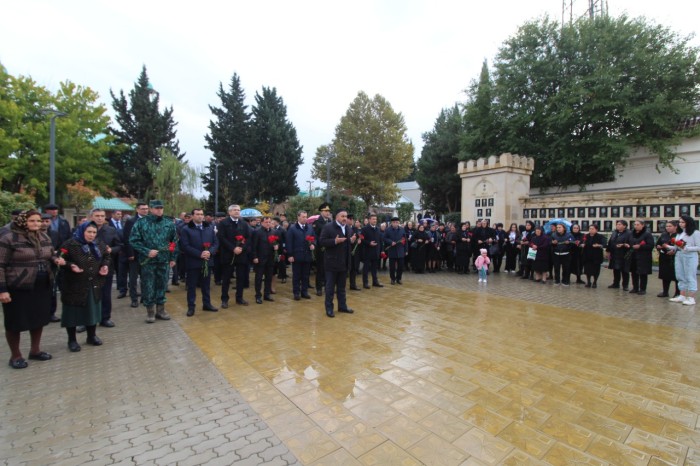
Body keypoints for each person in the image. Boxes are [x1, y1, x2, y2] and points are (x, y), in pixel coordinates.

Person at [0, 211, 65, 368]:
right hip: (18, 286)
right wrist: (2, 289)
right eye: (32, 221)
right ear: (23, 221)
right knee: (15, 321)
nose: (37, 224)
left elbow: (49, 254)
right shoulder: (9, 238)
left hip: (41, 285)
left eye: (38, 221)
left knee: (39, 319)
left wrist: (56, 259)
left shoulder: (43, 237)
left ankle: (35, 351)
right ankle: (15, 356)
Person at [60, 221, 110, 352]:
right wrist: (70, 265)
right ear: (82, 231)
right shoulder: (70, 244)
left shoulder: (99, 244)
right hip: (74, 285)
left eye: (94, 232)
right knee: (72, 314)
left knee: (92, 311)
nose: (92, 235)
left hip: (94, 283)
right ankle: (72, 340)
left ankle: (91, 336)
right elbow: (60, 259)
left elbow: (106, 256)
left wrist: (105, 265)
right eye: (89, 232)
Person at [129, 200, 179, 323]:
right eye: (156, 208)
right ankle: (150, 312)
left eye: (161, 208)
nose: (159, 210)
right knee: (148, 285)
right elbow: (133, 240)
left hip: (163, 260)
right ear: (151, 209)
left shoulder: (168, 223)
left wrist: (173, 257)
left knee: (162, 284)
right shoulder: (141, 223)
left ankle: (161, 310)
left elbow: (174, 241)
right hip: (148, 261)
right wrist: (146, 251)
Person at [179, 208, 219, 316]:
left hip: (207, 261)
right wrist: (199, 254)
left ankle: (207, 304)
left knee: (206, 285)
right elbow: (185, 246)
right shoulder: (186, 229)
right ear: (192, 216)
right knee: (192, 286)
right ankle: (191, 307)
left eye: (202, 214)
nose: (200, 216)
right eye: (197, 214)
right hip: (193, 262)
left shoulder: (209, 228)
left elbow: (215, 243)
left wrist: (209, 252)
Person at [319, 209, 356, 317]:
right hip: (332, 263)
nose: (345, 218)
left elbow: (347, 243)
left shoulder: (348, 228)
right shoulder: (328, 227)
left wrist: (351, 241)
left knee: (342, 287)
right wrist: (335, 241)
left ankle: (342, 306)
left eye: (346, 216)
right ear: (336, 217)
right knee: (330, 288)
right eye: (342, 216)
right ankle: (329, 309)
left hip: (344, 263)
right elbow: (321, 241)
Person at [91, 208, 122, 327]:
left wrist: (111, 250)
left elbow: (119, 246)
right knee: (89, 294)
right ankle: (88, 320)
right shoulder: (85, 229)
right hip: (89, 266)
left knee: (105, 293)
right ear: (92, 217)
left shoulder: (111, 230)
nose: (99, 218)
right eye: (97, 215)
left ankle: (105, 318)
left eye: (102, 216)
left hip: (106, 266)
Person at [217, 204, 252, 307]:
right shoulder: (223, 223)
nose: (237, 212)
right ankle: (224, 300)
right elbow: (221, 238)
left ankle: (239, 298)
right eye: (235, 210)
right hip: (228, 254)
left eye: (238, 210)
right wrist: (233, 248)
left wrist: (241, 248)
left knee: (241, 277)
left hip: (241, 254)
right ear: (230, 212)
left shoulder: (244, 223)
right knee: (226, 278)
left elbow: (248, 237)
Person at [667, 215, 700, 306]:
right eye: (680, 222)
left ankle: (691, 297)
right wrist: (670, 247)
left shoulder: (695, 233)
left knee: (690, 276)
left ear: (688, 223)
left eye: (683, 222)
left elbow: (698, 247)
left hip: (690, 256)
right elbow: (677, 246)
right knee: (680, 275)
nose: (680, 224)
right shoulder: (680, 233)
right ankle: (682, 295)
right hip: (679, 255)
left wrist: (686, 247)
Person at [123, 202, 149, 308]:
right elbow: (127, 238)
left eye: (147, 208)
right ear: (137, 210)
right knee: (133, 279)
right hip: (134, 254)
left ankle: (144, 297)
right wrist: (130, 253)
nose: (145, 210)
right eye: (143, 209)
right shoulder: (131, 221)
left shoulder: (150, 220)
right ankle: (134, 299)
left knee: (146, 277)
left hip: (147, 254)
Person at [287, 210, 315, 300]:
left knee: (306, 275)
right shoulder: (292, 228)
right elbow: (289, 243)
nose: (305, 218)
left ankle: (304, 292)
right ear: (298, 217)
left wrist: (313, 244)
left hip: (307, 255)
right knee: (296, 276)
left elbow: (315, 238)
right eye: (303, 217)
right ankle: (296, 293)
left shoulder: (310, 228)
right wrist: (290, 255)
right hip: (296, 256)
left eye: (306, 217)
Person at [251, 216, 278, 304]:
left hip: (270, 258)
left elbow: (276, 243)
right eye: (266, 222)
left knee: (269, 277)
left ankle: (267, 294)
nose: (268, 224)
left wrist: (277, 247)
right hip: (260, 258)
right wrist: (254, 257)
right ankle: (258, 296)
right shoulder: (257, 232)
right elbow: (253, 246)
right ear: (262, 223)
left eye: (269, 222)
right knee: (258, 278)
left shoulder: (273, 231)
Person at [312, 203, 333, 296]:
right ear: (321, 212)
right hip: (321, 249)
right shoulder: (317, 223)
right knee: (320, 269)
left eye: (328, 211)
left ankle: (327, 286)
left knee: (329, 269)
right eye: (326, 211)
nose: (328, 212)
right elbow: (315, 236)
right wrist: (321, 244)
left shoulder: (330, 222)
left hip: (330, 249)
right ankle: (319, 288)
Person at [628, 220, 654, 295]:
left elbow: (650, 245)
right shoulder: (632, 234)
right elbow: (630, 242)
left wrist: (640, 246)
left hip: (643, 257)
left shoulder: (647, 234)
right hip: (633, 256)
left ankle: (643, 289)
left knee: (643, 273)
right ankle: (635, 287)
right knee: (634, 272)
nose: (636, 226)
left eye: (638, 224)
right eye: (635, 224)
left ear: (642, 225)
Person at [655, 220, 680, 298]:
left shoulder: (679, 235)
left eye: (670, 226)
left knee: (676, 276)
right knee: (665, 275)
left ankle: (677, 293)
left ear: (675, 227)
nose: (668, 228)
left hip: (674, 258)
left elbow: (681, 247)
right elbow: (657, 244)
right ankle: (665, 292)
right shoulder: (664, 234)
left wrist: (674, 251)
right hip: (664, 257)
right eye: (667, 226)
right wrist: (659, 247)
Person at [606, 220, 633, 290]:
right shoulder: (615, 232)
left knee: (624, 270)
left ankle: (625, 285)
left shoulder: (629, 233)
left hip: (624, 254)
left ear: (624, 226)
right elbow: (610, 242)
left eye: (620, 224)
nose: (618, 225)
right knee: (616, 269)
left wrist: (623, 245)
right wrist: (608, 251)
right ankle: (616, 283)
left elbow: (631, 244)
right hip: (615, 254)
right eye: (617, 224)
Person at [361, 214, 383, 288]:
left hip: (376, 252)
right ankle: (365, 283)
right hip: (367, 252)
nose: (375, 220)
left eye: (376, 219)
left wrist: (381, 250)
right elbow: (362, 239)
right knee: (366, 269)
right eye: (373, 219)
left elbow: (380, 240)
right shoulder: (364, 229)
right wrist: (369, 243)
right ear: (369, 220)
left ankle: (375, 282)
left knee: (374, 268)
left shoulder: (378, 229)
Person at [110, 210, 128, 298]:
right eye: (118, 214)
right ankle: (122, 289)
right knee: (120, 272)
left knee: (130, 274)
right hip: (118, 252)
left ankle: (126, 289)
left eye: (121, 214)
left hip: (130, 254)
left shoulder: (133, 229)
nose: (120, 216)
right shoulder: (114, 228)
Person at [384, 217, 407, 285]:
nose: (395, 224)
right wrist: (391, 242)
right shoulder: (388, 230)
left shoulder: (402, 230)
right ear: (391, 223)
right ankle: (392, 279)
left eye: (397, 222)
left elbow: (405, 240)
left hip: (400, 251)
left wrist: (406, 250)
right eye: (394, 222)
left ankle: (399, 278)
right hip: (392, 251)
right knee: (392, 267)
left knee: (400, 266)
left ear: (399, 223)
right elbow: (384, 238)